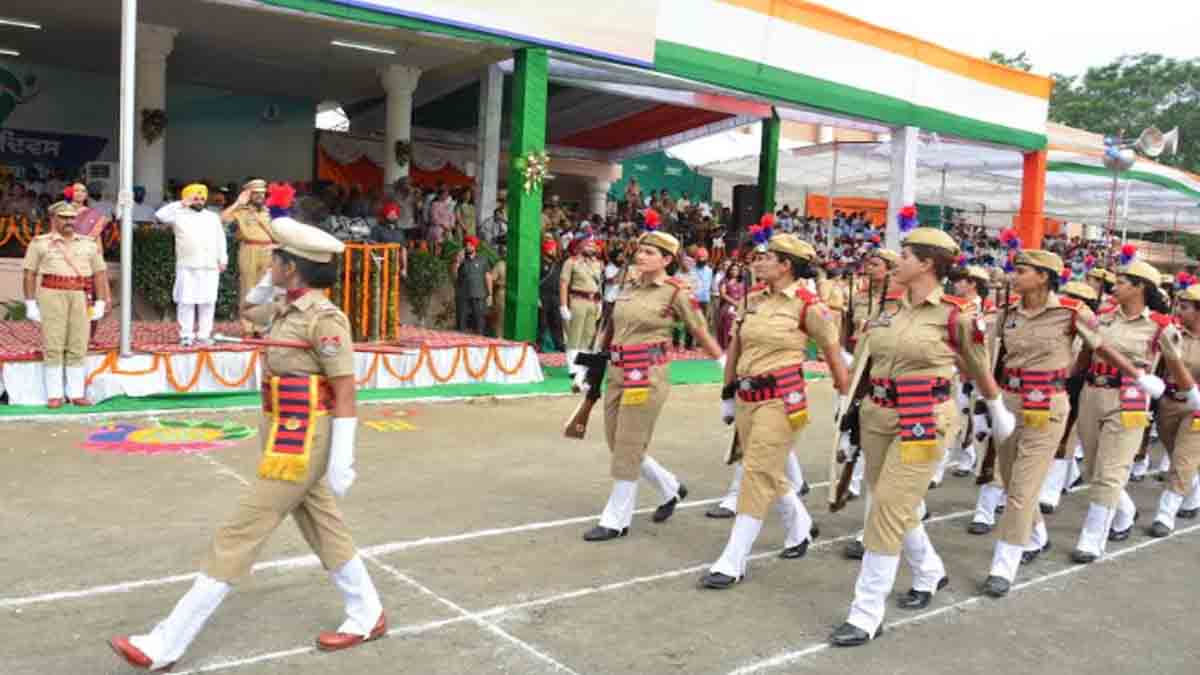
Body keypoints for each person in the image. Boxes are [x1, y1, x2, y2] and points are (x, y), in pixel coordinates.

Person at [109, 194, 385, 672]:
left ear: (294, 269)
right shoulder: (286, 310)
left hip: (305, 438)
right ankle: (367, 611)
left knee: (240, 531)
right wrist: (269, 285)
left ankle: (166, 643)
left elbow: (344, 390)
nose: (269, 262)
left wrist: (343, 456)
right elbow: (246, 313)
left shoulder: (325, 320)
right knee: (322, 524)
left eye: (277, 259)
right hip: (282, 428)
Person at [829, 228, 1015, 647]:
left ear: (929, 263)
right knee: (889, 500)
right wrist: (848, 418)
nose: (898, 260)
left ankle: (866, 612)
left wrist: (997, 409)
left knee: (889, 507)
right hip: (878, 412)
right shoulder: (887, 309)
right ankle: (929, 571)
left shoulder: (957, 315)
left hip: (924, 413)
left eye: (906, 254)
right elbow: (864, 366)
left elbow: (979, 365)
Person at [701, 234, 849, 588]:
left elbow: (833, 353)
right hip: (747, 397)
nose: (758, 261)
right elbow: (735, 347)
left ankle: (733, 558)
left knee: (756, 473)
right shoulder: (752, 300)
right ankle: (799, 528)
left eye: (767, 257)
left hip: (782, 398)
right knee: (765, 466)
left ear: (785, 265)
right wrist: (727, 392)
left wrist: (847, 400)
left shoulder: (809, 306)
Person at [583, 228, 723, 542]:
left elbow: (699, 330)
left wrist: (722, 364)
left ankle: (616, 519)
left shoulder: (676, 291)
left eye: (650, 252)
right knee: (616, 443)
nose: (640, 256)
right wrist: (594, 361)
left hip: (648, 373)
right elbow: (611, 324)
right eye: (640, 251)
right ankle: (669, 488)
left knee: (628, 445)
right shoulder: (627, 284)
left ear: (667, 259)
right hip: (617, 371)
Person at [977, 251, 1103, 597]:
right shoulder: (1006, 314)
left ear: (1044, 277)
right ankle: (1037, 537)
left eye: (1021, 271)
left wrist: (1073, 375)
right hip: (1010, 400)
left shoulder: (1072, 312)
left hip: (1047, 404)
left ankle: (1004, 565)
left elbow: (1101, 348)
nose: (1013, 276)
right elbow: (989, 356)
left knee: (1021, 487)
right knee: (1009, 480)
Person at [1070, 260, 1197, 563]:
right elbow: (1088, 353)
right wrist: (1070, 380)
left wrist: (1193, 395)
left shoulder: (1161, 325)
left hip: (1129, 398)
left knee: (1111, 472)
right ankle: (1125, 511)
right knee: (1092, 468)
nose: (1115, 285)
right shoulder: (1102, 316)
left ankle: (1091, 538)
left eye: (1123, 281)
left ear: (1141, 286)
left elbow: (1176, 363)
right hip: (1093, 391)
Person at [22, 201, 111, 408]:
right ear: (53, 219)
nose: (69, 221)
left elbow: (99, 274)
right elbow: (29, 274)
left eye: (72, 217)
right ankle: (54, 394)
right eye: (64, 217)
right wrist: (30, 303)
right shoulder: (40, 243)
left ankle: (76, 393)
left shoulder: (88, 244)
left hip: (80, 295)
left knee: (78, 344)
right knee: (53, 343)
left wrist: (100, 301)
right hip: (51, 294)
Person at [1038, 280, 1099, 513]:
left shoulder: (1091, 328)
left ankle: (1051, 491)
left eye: (1074, 298)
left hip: (1075, 385)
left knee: (1065, 440)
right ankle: (1070, 475)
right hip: (1047, 383)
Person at [1147, 282, 1200, 537]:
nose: (1179, 310)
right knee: (1177, 454)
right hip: (1168, 402)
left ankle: (1164, 514)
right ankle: (1195, 491)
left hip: (1197, 409)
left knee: (1183, 460)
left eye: (1186, 307)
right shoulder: (1172, 332)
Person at [156, 184, 229, 347]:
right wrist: (181, 204)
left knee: (208, 301)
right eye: (196, 198)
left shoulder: (212, 217)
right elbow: (160, 215)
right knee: (186, 301)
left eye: (202, 198)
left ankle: (204, 335)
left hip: (210, 265)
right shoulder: (178, 214)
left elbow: (220, 239)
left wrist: (223, 259)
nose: (200, 201)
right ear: (187, 198)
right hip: (187, 265)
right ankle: (186, 335)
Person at [222, 179, 275, 336]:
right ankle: (247, 327)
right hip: (249, 248)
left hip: (268, 249)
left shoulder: (269, 211)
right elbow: (223, 219)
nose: (260, 196)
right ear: (248, 194)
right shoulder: (241, 210)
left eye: (262, 193)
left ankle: (260, 327)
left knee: (265, 289)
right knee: (248, 288)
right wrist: (238, 203)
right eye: (256, 193)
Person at [560, 234, 605, 388]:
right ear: (579, 245)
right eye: (588, 244)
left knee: (588, 336)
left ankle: (582, 370)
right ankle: (573, 368)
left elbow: (598, 285)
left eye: (593, 244)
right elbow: (564, 284)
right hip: (577, 300)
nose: (592, 247)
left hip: (593, 301)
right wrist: (563, 305)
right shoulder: (571, 262)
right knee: (575, 334)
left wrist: (599, 302)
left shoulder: (597, 264)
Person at [452, 235, 492, 335]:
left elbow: (488, 276)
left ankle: (479, 342)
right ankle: (459, 344)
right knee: (461, 323)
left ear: (475, 247)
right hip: (463, 295)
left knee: (479, 323)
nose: (467, 246)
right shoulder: (460, 259)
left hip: (479, 294)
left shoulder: (483, 259)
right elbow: (454, 276)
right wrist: (457, 262)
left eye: (470, 245)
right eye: (466, 245)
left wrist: (490, 294)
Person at [538, 239, 565, 352]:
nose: (554, 251)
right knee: (542, 322)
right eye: (553, 248)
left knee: (556, 322)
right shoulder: (539, 263)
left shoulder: (557, 264)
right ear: (547, 250)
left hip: (555, 296)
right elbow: (535, 282)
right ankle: (539, 345)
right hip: (543, 296)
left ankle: (559, 345)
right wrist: (537, 297)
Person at [490, 236, 508, 338]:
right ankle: (499, 340)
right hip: (502, 294)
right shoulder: (500, 264)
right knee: (500, 319)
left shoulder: (518, 265)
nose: (504, 249)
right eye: (503, 246)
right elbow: (491, 280)